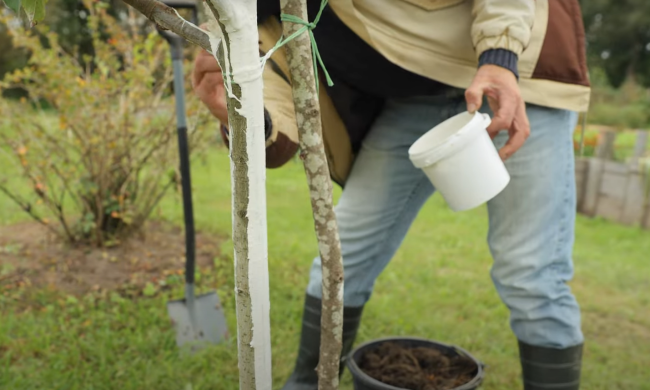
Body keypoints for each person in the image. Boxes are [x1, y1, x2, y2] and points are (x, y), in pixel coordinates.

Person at [192, 1, 590, 389]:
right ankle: (306, 383)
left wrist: (500, 56)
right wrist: (238, 112)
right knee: (341, 258)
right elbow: (276, 111)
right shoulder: (252, 14)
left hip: (520, 77)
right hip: (416, 99)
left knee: (530, 275)